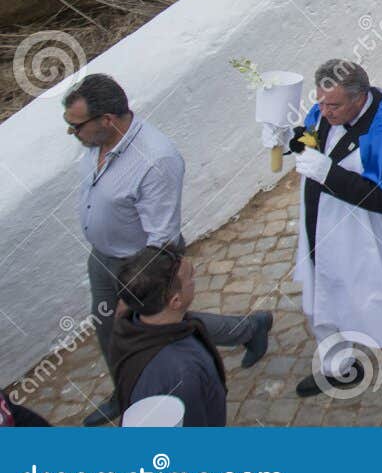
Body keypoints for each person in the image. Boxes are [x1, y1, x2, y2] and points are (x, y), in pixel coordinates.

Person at [65, 74, 270, 426]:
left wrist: (133, 292)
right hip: (103, 257)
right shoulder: (96, 144)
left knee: (165, 322)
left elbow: (161, 235)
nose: (72, 134)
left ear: (107, 121)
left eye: (76, 127)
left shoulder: (156, 159)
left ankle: (249, 329)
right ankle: (123, 390)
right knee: (107, 325)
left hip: (141, 264)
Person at [262, 59, 382, 400]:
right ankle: (338, 366)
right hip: (320, 226)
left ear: (359, 97)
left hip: (363, 239)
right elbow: (313, 138)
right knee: (319, 301)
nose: (324, 110)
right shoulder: (327, 110)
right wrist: (290, 138)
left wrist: (329, 174)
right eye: (320, 102)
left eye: (333, 105)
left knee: (381, 307)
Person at [108, 245, 229, 427]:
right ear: (175, 301)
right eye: (190, 277)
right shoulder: (183, 373)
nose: (194, 275)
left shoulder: (126, 327)